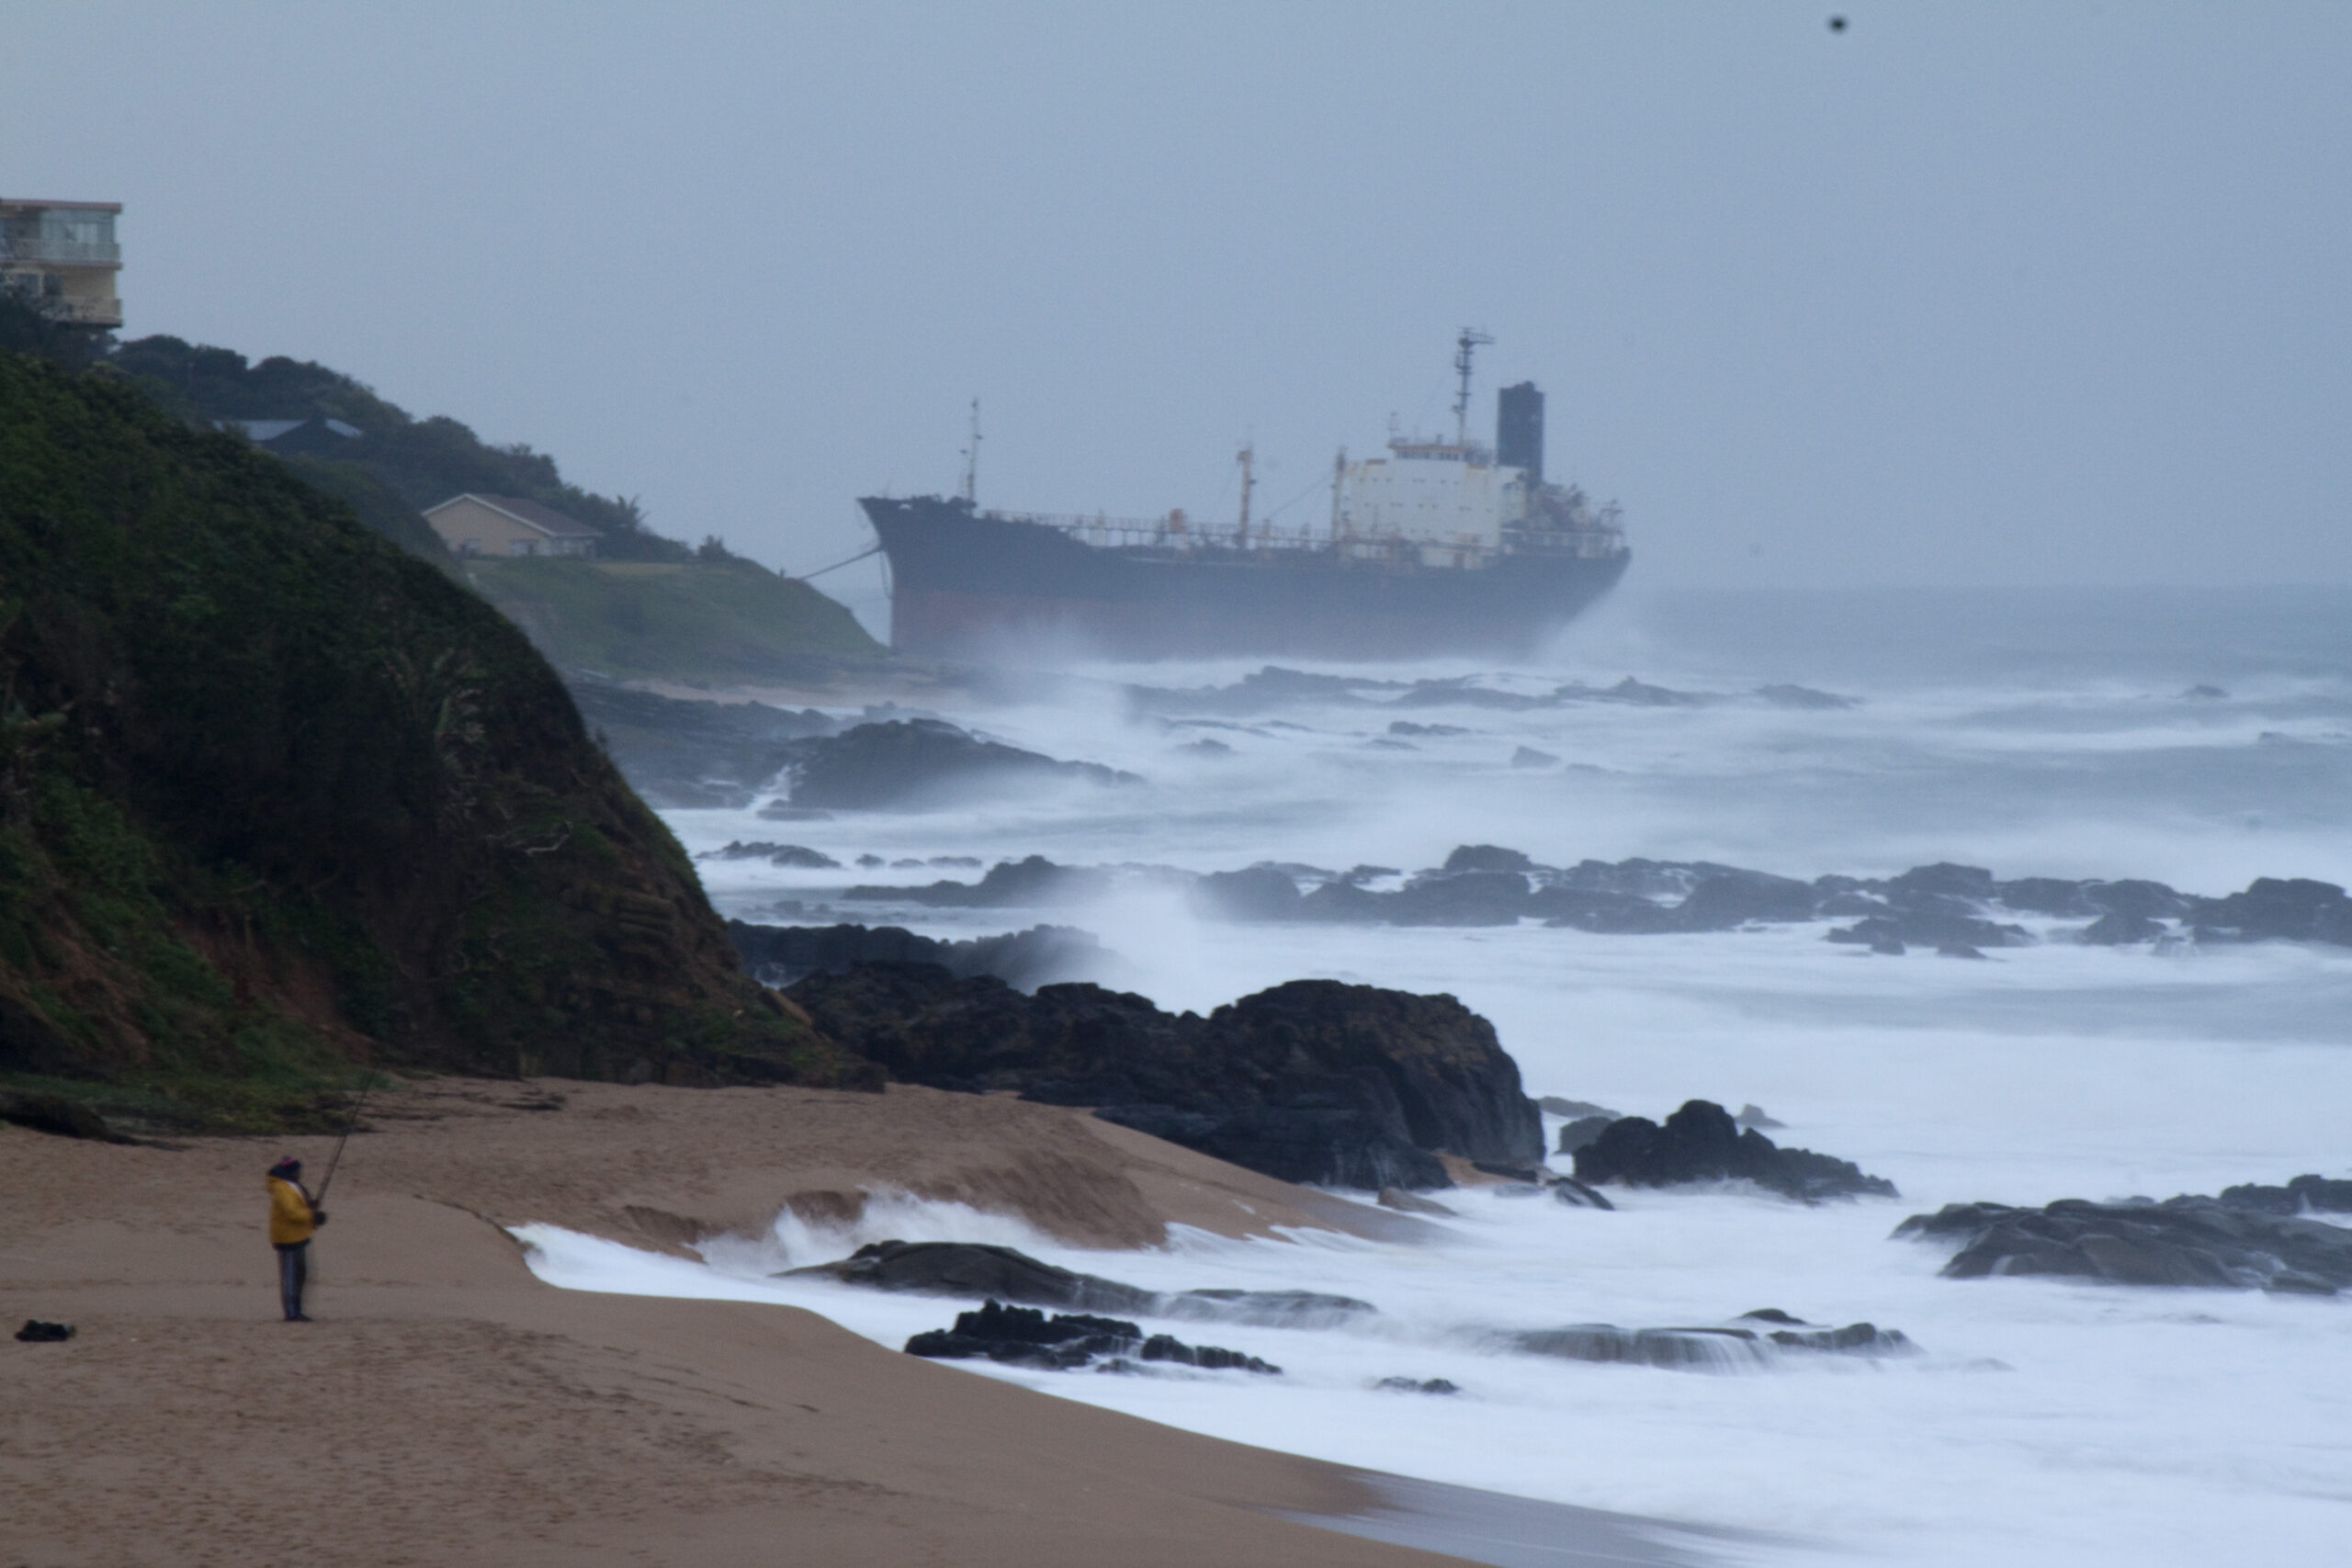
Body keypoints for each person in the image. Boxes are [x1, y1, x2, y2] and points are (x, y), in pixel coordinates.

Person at [266, 1156, 325, 1322]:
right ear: (292, 1171)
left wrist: (311, 1208)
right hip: (287, 1239)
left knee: (300, 1274)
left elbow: (298, 1207)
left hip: (297, 1236)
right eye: (299, 1170)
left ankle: (297, 1310)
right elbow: (291, 1213)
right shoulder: (283, 1189)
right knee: (290, 1277)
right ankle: (292, 1313)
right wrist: (311, 1215)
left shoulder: (291, 1186)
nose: (301, 1173)